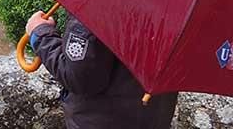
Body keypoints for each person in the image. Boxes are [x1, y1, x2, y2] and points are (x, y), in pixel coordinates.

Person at [27, 11, 178, 129]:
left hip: (103, 121)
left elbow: (80, 78)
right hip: (153, 117)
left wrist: (39, 34)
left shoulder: (101, 0)